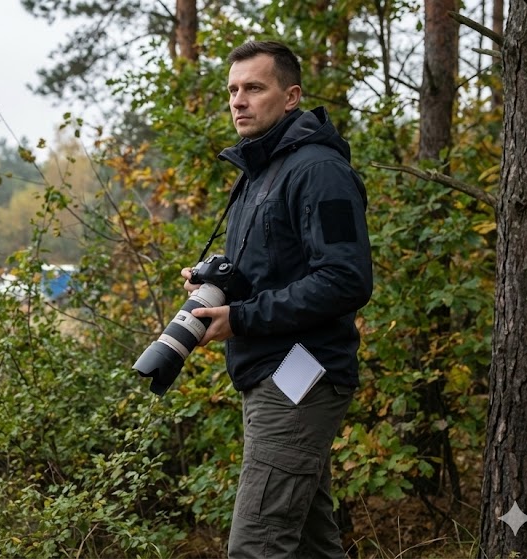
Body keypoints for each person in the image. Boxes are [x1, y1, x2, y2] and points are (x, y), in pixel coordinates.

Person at [183, 40, 374, 557]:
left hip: (301, 376)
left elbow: (346, 278)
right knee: (313, 546)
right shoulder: (259, 173)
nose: (238, 101)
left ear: (290, 97)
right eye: (232, 90)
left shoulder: (318, 171)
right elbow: (277, 273)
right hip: (269, 374)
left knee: (256, 546)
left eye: (253, 88)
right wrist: (218, 285)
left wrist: (240, 317)